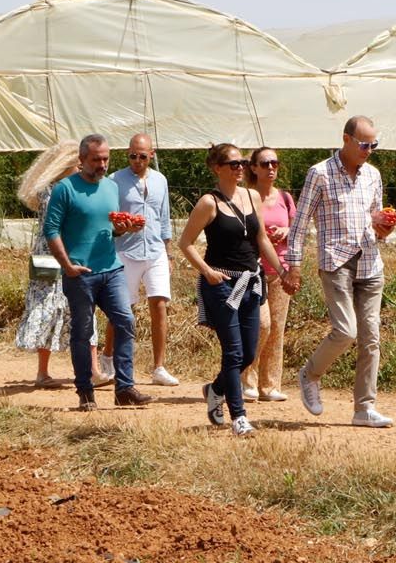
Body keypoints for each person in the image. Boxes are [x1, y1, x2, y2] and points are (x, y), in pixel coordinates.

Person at [281, 116, 396, 428]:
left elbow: (377, 220)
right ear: (346, 139)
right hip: (336, 262)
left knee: (371, 337)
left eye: (374, 145)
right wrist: (294, 266)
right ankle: (310, 374)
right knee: (346, 331)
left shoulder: (373, 175)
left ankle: (364, 409)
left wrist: (384, 226)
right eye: (363, 144)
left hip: (370, 262)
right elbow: (300, 222)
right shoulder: (320, 174)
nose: (369, 150)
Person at [178, 143, 285, 436]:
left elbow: (262, 238)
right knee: (234, 352)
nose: (240, 168)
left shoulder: (252, 196)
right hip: (223, 285)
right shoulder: (209, 203)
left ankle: (215, 389)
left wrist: (281, 270)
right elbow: (185, 243)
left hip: (250, 282)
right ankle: (239, 416)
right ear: (217, 168)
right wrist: (208, 272)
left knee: (250, 352)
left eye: (243, 163)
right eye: (234, 163)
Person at [40, 134, 151, 411]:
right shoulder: (65, 189)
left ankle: (124, 388)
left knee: (125, 321)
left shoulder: (111, 188)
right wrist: (67, 265)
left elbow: (110, 228)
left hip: (111, 268)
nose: (102, 164)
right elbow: (51, 230)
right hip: (81, 273)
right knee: (83, 331)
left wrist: (124, 229)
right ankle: (85, 392)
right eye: (96, 159)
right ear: (81, 160)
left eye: (106, 159)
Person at [97, 133, 180, 387]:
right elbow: (108, 217)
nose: (137, 160)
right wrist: (122, 227)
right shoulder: (115, 180)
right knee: (122, 308)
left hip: (154, 249)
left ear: (151, 155)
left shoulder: (160, 180)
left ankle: (159, 367)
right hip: (125, 251)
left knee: (159, 304)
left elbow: (163, 218)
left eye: (142, 156)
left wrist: (167, 253)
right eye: (132, 155)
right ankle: (108, 357)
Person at [14, 166, 97, 387]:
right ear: (63, 164)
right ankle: (42, 372)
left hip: (76, 255)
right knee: (48, 309)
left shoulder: (76, 189)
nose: (81, 167)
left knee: (86, 307)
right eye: (77, 163)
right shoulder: (50, 191)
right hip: (51, 258)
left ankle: (94, 370)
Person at [248, 147, 296, 402]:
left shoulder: (285, 198)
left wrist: (287, 231)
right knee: (258, 326)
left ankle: (269, 385)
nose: (271, 168)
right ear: (253, 167)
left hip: (281, 269)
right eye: (265, 163)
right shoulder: (247, 198)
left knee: (277, 328)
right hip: (253, 271)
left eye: (274, 163)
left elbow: (298, 228)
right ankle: (248, 378)